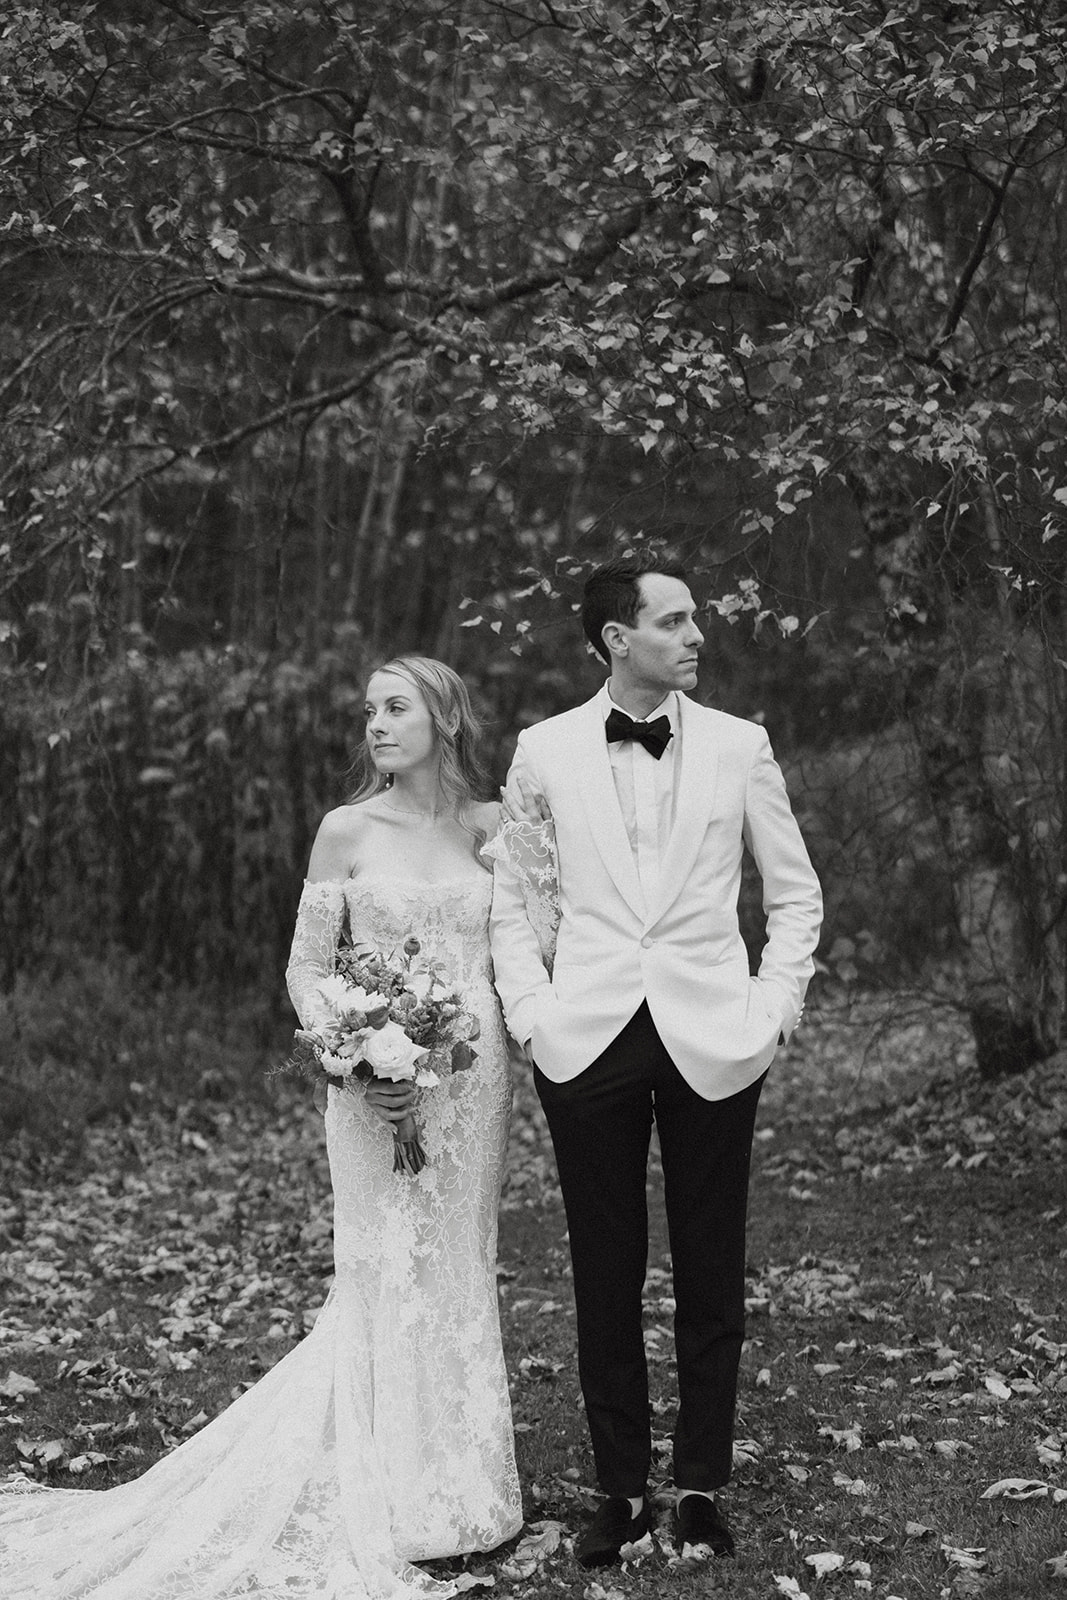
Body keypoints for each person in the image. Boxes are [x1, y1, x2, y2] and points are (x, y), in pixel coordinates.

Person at [0, 655, 523, 1599]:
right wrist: (361, 1060)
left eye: (395, 708)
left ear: (446, 715)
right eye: (367, 711)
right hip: (373, 1089)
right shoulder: (345, 830)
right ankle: (388, 1492)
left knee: (457, 1262)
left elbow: (523, 952)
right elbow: (304, 969)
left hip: (474, 1086)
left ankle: (464, 1491)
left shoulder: (494, 828)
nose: (374, 725)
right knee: (380, 1270)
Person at [489, 550, 822, 1567]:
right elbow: (513, 900)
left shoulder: (738, 746)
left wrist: (772, 1008)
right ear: (614, 640)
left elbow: (794, 892)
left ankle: (700, 1487)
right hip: (584, 1036)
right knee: (603, 1268)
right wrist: (531, 1014)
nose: (695, 635)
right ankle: (620, 1491)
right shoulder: (542, 751)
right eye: (673, 621)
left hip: (714, 1035)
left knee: (711, 1265)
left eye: (693, 621)